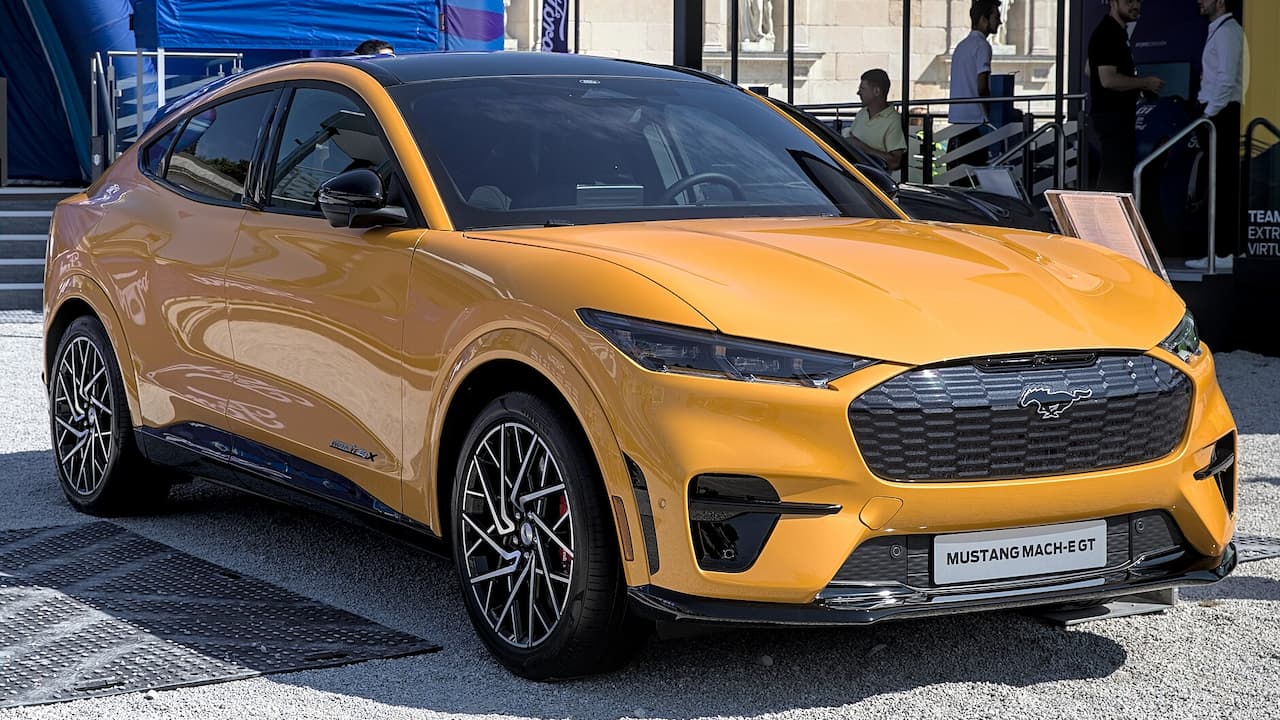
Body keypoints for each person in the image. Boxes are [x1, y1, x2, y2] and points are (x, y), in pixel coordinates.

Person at [1186, 0, 1244, 270]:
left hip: (1222, 114)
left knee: (1223, 182)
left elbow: (1226, 78)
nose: (1200, 1)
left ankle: (1225, 251)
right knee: (1215, 182)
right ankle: (1217, 250)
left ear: (1220, 2)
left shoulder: (1229, 31)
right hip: (1215, 113)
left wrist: (1209, 114)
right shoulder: (1219, 30)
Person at [1086, 0, 1163, 194]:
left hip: (1116, 114)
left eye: (1138, 1)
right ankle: (1105, 213)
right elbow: (1108, 79)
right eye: (1128, 1)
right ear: (1113, 3)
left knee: (1117, 174)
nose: (1135, 5)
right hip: (1112, 115)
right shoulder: (1108, 33)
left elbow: (1090, 68)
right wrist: (1144, 83)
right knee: (1115, 178)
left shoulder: (1117, 33)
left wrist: (1132, 85)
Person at [946, 0, 1002, 173]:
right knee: (976, 175)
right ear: (984, 20)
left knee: (957, 176)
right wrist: (988, 111)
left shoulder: (961, 47)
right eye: (996, 17)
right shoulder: (982, 46)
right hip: (974, 122)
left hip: (957, 121)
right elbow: (982, 85)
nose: (1000, 22)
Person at [841, 69, 907, 172]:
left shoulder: (893, 121)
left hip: (872, 179)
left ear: (876, 91)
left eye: (863, 89)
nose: (858, 93)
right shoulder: (862, 113)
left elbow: (895, 162)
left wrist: (863, 148)